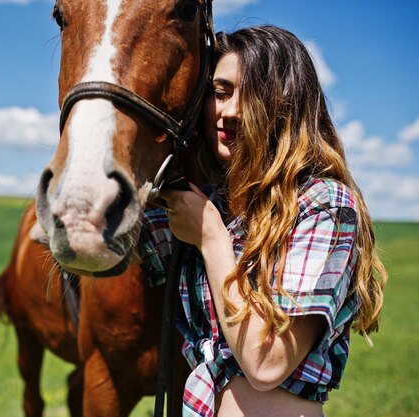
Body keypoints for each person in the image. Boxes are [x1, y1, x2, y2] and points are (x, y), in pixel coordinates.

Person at [156, 25, 387, 416]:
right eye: (220, 92)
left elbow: (266, 363)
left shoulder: (324, 204)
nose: (229, 112)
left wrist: (211, 238)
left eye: (251, 94)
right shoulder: (213, 205)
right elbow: (108, 244)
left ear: (287, 105)